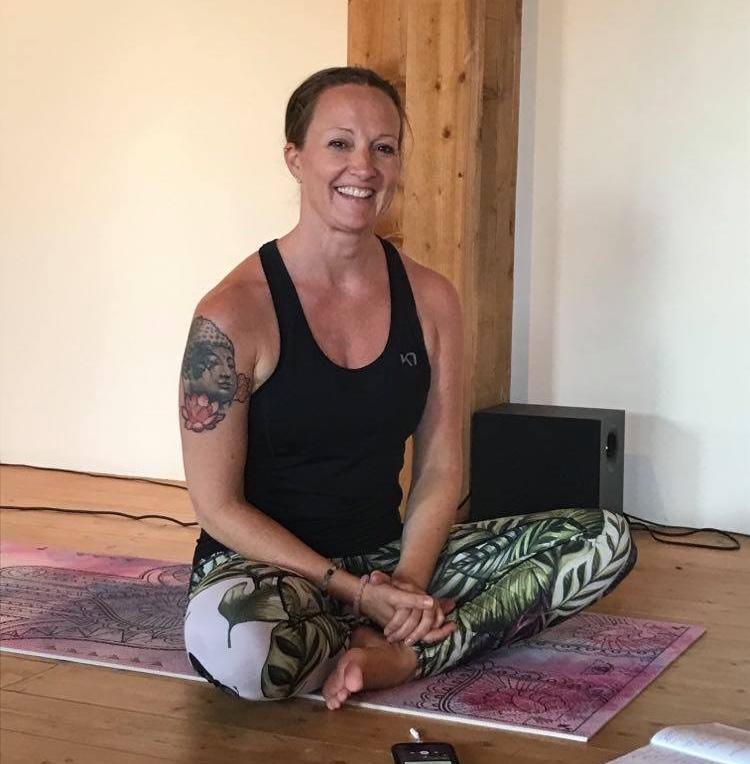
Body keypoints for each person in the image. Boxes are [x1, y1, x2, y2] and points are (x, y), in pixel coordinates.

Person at [181, 66, 637, 710]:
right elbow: (216, 507)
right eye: (339, 144)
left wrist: (407, 586)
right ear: (295, 158)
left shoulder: (431, 298)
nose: (363, 167)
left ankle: (397, 653)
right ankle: (380, 633)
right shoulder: (232, 314)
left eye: (384, 147)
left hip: (388, 557)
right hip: (271, 570)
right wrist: (355, 593)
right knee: (242, 651)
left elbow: (441, 468)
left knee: (605, 539)